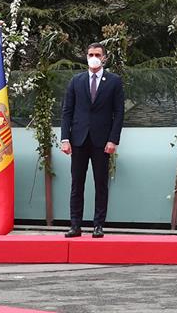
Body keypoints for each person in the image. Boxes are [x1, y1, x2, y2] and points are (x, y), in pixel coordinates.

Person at [60, 42, 125, 238]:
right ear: (86, 57)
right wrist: (65, 138)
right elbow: (67, 112)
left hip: (102, 141)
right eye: (90, 54)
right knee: (76, 184)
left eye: (97, 54)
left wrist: (113, 140)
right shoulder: (76, 81)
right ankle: (75, 225)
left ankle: (98, 225)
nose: (94, 57)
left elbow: (119, 113)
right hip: (79, 139)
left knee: (100, 184)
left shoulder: (114, 81)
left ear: (104, 57)